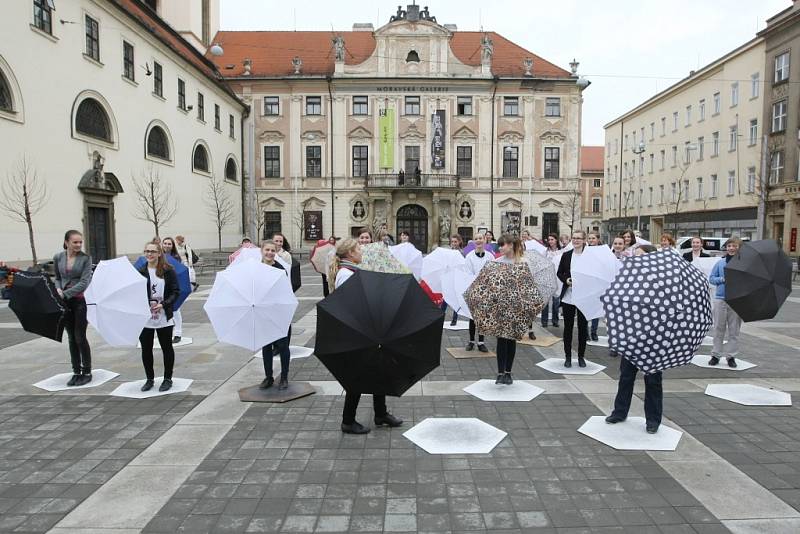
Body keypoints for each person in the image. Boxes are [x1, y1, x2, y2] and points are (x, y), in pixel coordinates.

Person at [329, 238, 402, 434]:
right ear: (351, 253)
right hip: (358, 332)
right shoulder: (346, 274)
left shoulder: (355, 270)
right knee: (357, 376)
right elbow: (351, 305)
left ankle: (381, 413)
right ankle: (348, 420)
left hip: (369, 329)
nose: (362, 251)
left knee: (379, 370)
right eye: (359, 249)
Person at [605, 246, 663, 434]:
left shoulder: (661, 280)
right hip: (632, 335)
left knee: (653, 380)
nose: (637, 260)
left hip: (654, 337)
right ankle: (620, 411)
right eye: (635, 256)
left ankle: (653, 419)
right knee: (626, 376)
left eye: (642, 256)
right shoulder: (629, 278)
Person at [138, 239, 179, 392]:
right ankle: (149, 379)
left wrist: (164, 304)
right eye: (147, 251)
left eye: (153, 251)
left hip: (163, 315)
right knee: (146, 348)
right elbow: (135, 293)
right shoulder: (141, 271)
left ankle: (168, 378)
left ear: (159, 253)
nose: (150, 254)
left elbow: (176, 292)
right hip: (146, 316)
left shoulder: (168, 270)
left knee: (166, 347)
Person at [54, 230, 93, 386]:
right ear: (66, 242)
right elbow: (57, 277)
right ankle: (76, 371)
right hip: (64, 302)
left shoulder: (85, 259)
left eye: (80, 242)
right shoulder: (58, 257)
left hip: (79, 301)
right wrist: (58, 289)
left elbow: (85, 282)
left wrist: (66, 293)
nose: (78, 245)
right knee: (71, 337)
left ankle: (87, 371)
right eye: (75, 242)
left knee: (80, 336)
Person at [492, 233, 526, 384]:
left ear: (511, 245)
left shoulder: (522, 263)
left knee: (511, 340)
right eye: (499, 245)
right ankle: (500, 373)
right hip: (501, 305)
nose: (500, 247)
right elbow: (492, 284)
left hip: (516, 307)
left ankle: (508, 372)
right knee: (501, 340)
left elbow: (527, 286)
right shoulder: (497, 262)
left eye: (502, 245)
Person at [259, 240, 291, 390]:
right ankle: (268, 377)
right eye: (267, 250)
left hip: (279, 313)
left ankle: (284, 377)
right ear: (262, 251)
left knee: (283, 346)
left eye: (273, 250)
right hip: (263, 312)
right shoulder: (256, 269)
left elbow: (284, 292)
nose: (270, 253)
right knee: (266, 347)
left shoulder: (280, 270)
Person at [709, 237, 743, 368]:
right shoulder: (720, 262)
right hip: (721, 298)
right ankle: (716, 354)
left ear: (738, 248)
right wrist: (722, 279)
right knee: (718, 328)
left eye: (734, 246)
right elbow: (712, 278)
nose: (731, 248)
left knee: (734, 330)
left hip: (736, 300)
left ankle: (731, 356)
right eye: (729, 246)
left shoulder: (743, 263)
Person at [558, 230, 589, 368]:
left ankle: (581, 356)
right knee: (568, 328)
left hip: (583, 295)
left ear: (584, 240)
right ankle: (568, 356)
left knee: (583, 328)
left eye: (578, 238)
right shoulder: (566, 255)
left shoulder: (589, 256)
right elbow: (560, 272)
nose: (576, 240)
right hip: (569, 296)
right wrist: (567, 280)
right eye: (574, 238)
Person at [464, 233, 492, 352]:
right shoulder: (469, 256)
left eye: (480, 238)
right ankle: (471, 341)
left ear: (484, 240)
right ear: (474, 241)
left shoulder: (490, 256)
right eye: (476, 239)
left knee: (482, 317)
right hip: (474, 289)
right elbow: (468, 273)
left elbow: (492, 272)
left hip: (485, 290)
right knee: (472, 317)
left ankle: (481, 342)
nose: (478, 240)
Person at [161, 237, 184, 344]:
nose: (167, 245)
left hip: (174, 287)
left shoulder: (176, 258)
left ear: (172, 245)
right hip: (163, 287)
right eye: (165, 243)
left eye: (169, 244)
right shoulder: (159, 255)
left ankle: (178, 333)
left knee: (176, 310)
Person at [541, 234, 562, 328]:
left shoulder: (561, 251)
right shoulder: (545, 251)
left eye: (552, 239)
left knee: (556, 300)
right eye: (549, 240)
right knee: (545, 301)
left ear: (556, 240)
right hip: (547, 277)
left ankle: (555, 320)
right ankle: (544, 321)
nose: (550, 241)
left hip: (557, 277)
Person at [442, 235, 464, 326]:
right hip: (449, 277)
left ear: (459, 242)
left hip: (457, 278)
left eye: (455, 241)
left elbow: (463, 266)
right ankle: (440, 316)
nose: (454, 243)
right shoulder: (449, 252)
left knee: (456, 300)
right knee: (445, 299)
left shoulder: (462, 252)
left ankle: (454, 319)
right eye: (452, 242)